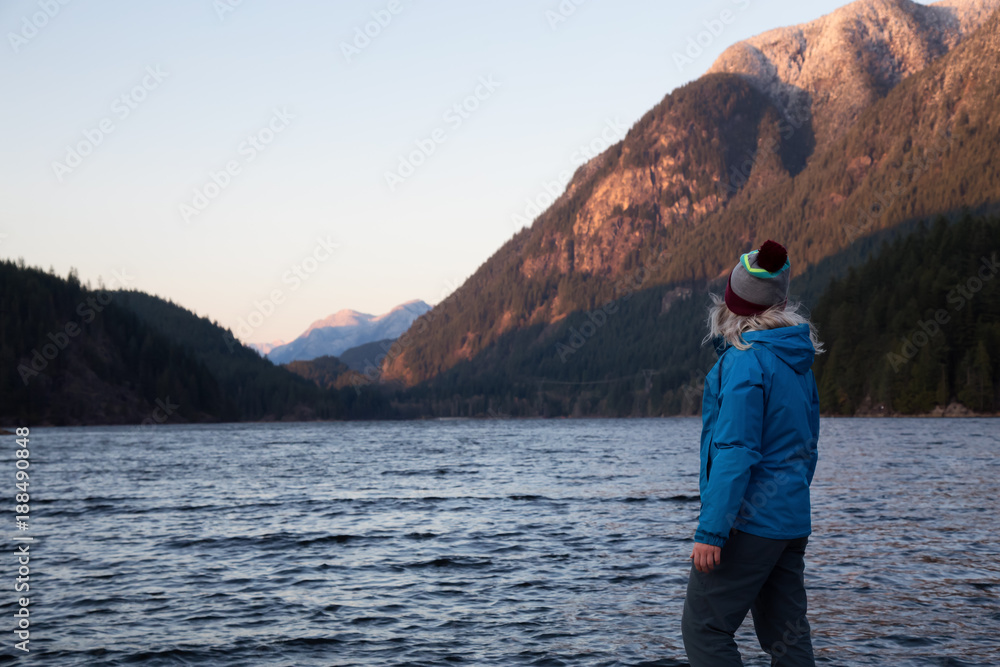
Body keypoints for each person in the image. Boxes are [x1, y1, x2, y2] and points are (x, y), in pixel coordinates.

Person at [681, 240, 822, 666]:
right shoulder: (797, 363)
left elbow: (736, 451)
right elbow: (807, 448)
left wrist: (711, 531)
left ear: (732, 303)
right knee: (787, 638)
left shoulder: (745, 361)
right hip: (790, 522)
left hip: (749, 522)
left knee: (705, 629)